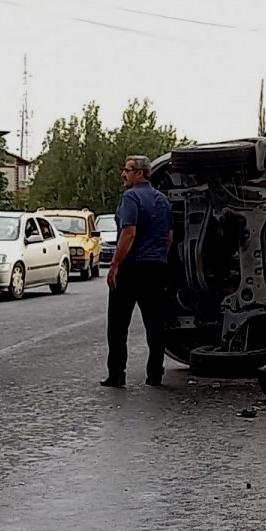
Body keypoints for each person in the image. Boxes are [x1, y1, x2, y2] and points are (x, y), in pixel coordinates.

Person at [101, 154, 173, 389]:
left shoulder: (131, 197)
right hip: (156, 267)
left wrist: (115, 265)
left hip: (131, 267)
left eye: (127, 170)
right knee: (155, 323)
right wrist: (158, 257)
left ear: (139, 173)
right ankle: (155, 373)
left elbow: (129, 232)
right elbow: (169, 238)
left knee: (118, 323)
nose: (124, 174)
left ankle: (117, 374)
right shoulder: (163, 200)